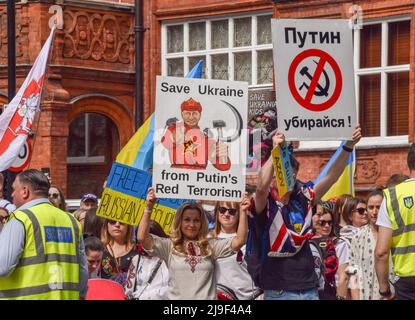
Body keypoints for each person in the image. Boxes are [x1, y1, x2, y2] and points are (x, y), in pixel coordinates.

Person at [249, 125, 361, 300]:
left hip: (309, 287)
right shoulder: (266, 205)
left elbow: (330, 177)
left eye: (292, 175)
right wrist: (275, 153)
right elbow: (261, 187)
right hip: (279, 290)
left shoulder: (303, 199)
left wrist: (348, 146)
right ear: (273, 178)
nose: (289, 178)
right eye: (283, 174)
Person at [137, 188, 249, 300]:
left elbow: (240, 240)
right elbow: (142, 237)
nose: (192, 224)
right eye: (187, 220)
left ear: (202, 223)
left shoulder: (210, 246)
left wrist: (243, 211)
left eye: (196, 220)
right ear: (179, 222)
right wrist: (148, 207)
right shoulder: (169, 246)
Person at [0, 169, 88, 299]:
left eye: (14, 189)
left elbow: (3, 267)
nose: (12, 195)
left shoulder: (20, 219)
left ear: (25, 191)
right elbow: (83, 271)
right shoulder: (71, 221)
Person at [376, 143, 415, 300]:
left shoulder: (392, 197)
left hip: (407, 282)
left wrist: (384, 290)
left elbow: (381, 253)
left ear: (408, 163)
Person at [161, 97, 230, 171]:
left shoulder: (206, 138)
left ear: (200, 115)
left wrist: (223, 155)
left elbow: (223, 167)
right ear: (182, 114)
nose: (191, 117)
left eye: (195, 113)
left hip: (199, 177)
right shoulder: (174, 128)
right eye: (187, 113)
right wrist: (174, 139)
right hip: (177, 175)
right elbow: (165, 142)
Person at [349, 189, 394, 300]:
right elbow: (353, 273)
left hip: (393, 295)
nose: (374, 212)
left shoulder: (396, 234)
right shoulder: (358, 237)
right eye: (371, 207)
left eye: (378, 207)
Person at [212, 200, 262, 300]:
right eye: (222, 210)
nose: (226, 214)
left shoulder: (251, 238)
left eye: (232, 211)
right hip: (222, 296)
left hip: (252, 296)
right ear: (217, 212)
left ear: (239, 214)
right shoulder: (208, 239)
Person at [124, 221, 169, 300]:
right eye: (142, 239)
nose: (146, 243)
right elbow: (129, 287)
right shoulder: (136, 259)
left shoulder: (169, 259)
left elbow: (170, 289)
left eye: (148, 239)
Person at [335, 197, 368, 300]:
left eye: (367, 209)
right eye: (361, 211)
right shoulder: (345, 242)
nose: (366, 213)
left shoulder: (370, 237)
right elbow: (343, 278)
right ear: (350, 215)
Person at [310, 201, 338, 300]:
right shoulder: (304, 240)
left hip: (326, 292)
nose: (327, 226)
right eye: (323, 222)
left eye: (330, 222)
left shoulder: (333, 242)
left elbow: (330, 270)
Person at [100, 219, 137, 286]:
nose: (117, 225)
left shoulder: (137, 249)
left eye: (122, 222)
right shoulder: (99, 248)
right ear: (106, 225)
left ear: (128, 226)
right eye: (112, 222)